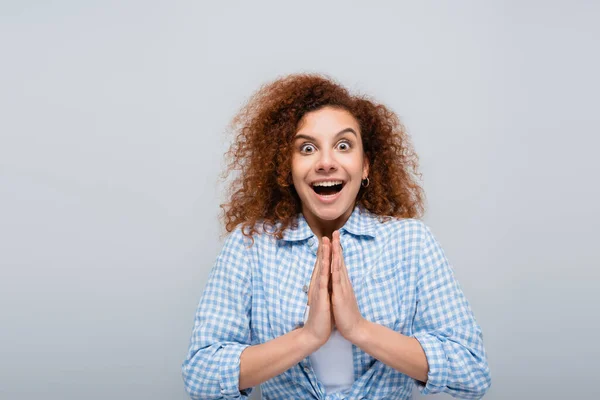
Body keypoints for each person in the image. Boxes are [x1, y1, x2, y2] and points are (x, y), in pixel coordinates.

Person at [181, 74, 491, 399]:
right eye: (307, 148)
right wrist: (308, 337)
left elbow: (471, 370)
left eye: (343, 146)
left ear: (366, 165)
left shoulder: (411, 242)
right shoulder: (250, 246)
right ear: (286, 167)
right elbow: (201, 376)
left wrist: (359, 329)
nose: (326, 162)